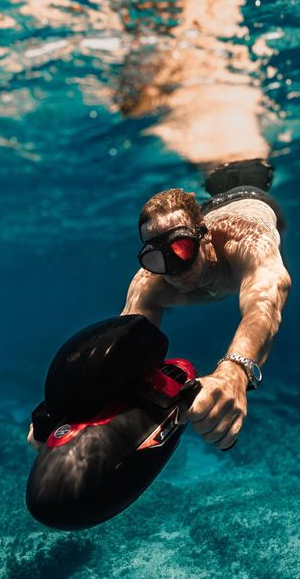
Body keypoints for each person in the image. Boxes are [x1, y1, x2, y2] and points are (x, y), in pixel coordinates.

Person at [120, 160, 290, 450]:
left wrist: (235, 372)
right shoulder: (150, 282)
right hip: (208, 208)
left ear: (204, 236)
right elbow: (124, 346)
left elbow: (268, 296)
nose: (173, 269)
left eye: (180, 249)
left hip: (252, 193)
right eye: (157, 259)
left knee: (232, 165)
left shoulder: (243, 240)